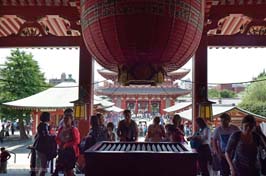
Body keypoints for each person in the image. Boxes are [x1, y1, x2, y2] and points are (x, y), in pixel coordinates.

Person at [55, 108, 80, 176]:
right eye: (64, 119)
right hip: (62, 152)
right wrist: (60, 143)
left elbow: (76, 141)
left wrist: (66, 144)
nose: (65, 121)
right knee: (65, 170)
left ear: (71, 120)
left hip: (71, 152)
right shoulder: (61, 129)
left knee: (69, 170)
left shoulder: (74, 129)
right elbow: (57, 138)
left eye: (67, 119)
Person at [33, 112, 52, 176]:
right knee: (43, 166)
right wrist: (52, 136)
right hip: (42, 147)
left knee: (42, 165)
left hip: (39, 146)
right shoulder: (44, 125)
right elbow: (45, 136)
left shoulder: (41, 124)